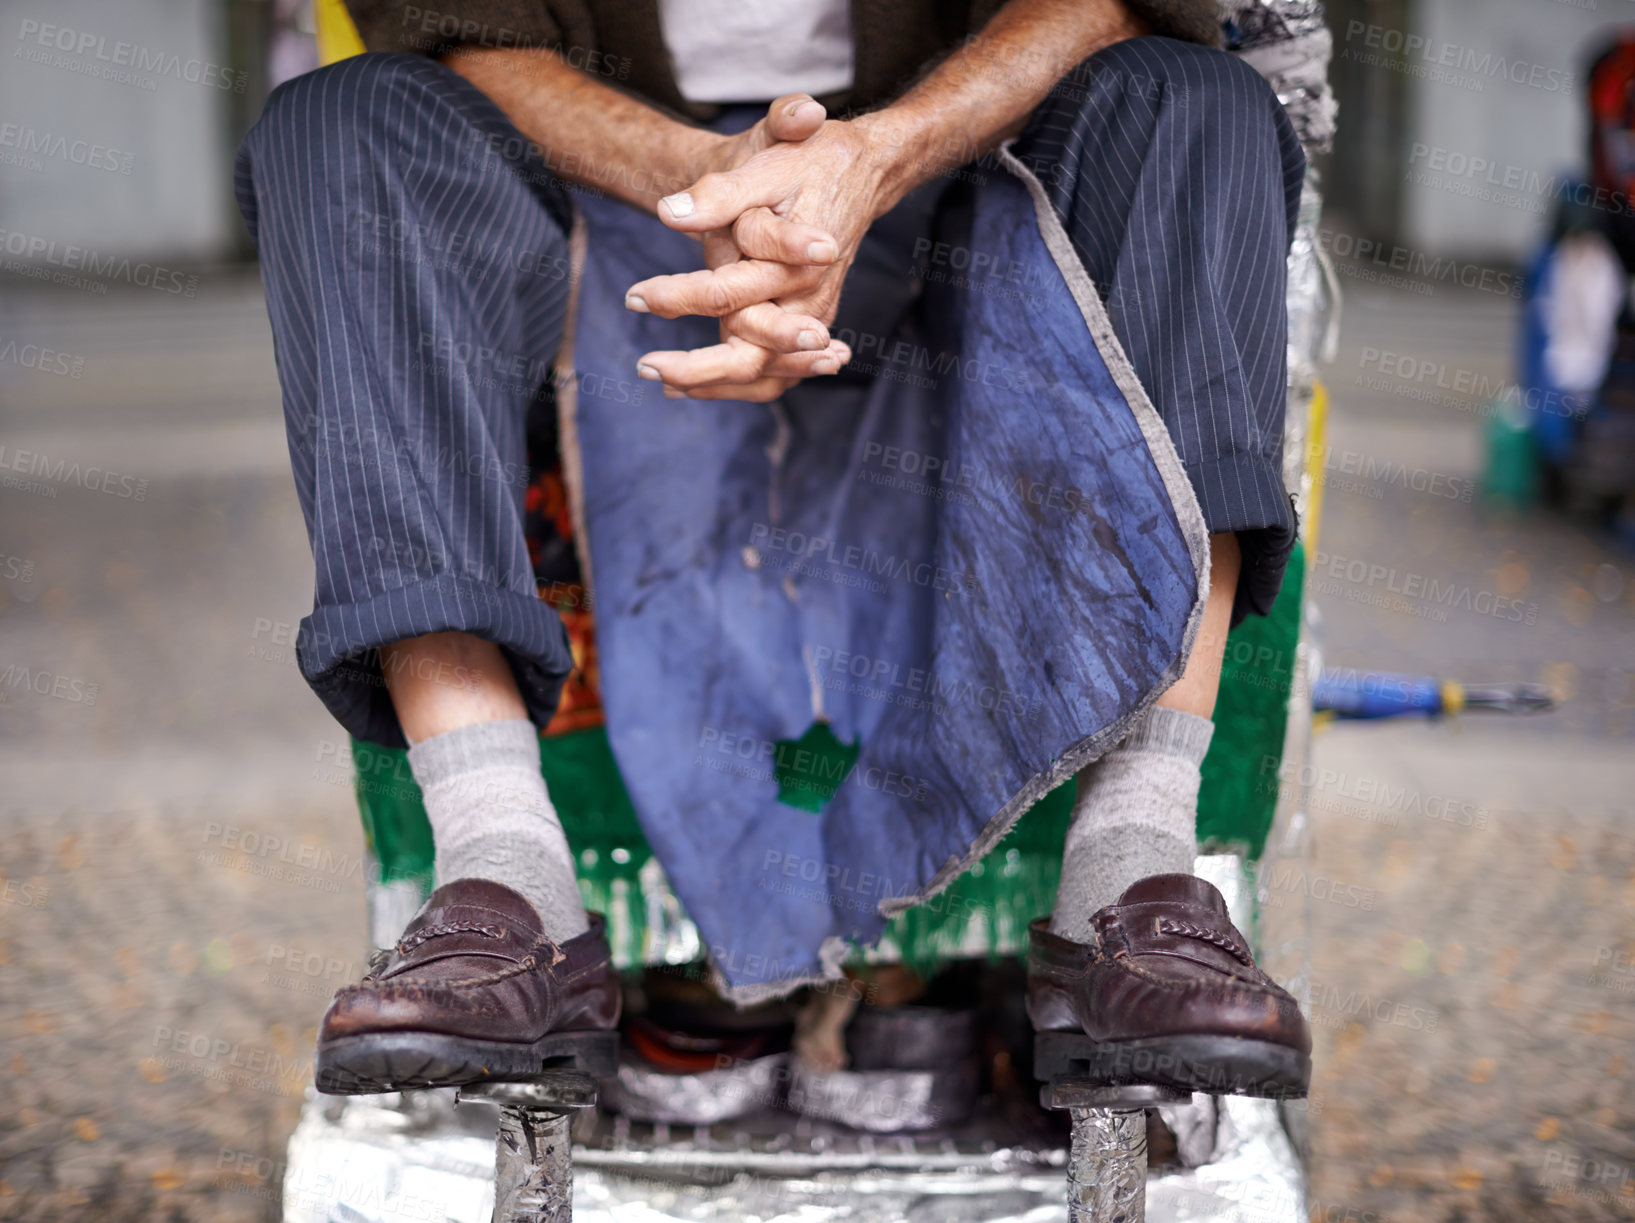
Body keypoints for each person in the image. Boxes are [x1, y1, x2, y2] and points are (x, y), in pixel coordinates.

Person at [235, 0, 1312, 1100]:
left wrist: (876, 157)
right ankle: (503, 883)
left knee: (1196, 105)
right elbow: (451, 18)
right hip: (597, 196)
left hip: (968, 175)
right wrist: (710, 180)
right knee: (341, 123)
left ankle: (1132, 884)